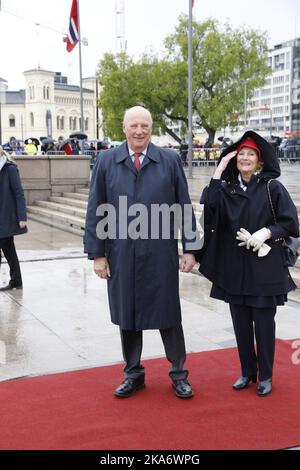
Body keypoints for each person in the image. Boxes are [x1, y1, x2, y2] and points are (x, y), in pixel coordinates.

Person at [84, 106, 199, 399]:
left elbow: (183, 207)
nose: (139, 131)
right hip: (121, 252)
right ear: (124, 128)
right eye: (133, 125)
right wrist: (98, 254)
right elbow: (96, 210)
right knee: (128, 314)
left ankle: (179, 374)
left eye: (144, 125)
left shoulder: (169, 160)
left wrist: (191, 249)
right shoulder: (107, 161)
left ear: (151, 128)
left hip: (159, 252)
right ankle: (133, 374)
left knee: (168, 314)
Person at [198, 131, 299, 397]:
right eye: (240, 154)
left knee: (264, 325)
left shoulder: (271, 187)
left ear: (260, 161)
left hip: (264, 267)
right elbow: (208, 208)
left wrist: (265, 233)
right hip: (235, 267)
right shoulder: (226, 188)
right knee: (240, 324)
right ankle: (247, 372)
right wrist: (220, 168)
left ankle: (265, 375)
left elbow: (290, 223)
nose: (244, 158)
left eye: (250, 155)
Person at [0, 146, 28, 291]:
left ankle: (16, 280)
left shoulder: (9, 168)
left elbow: (18, 193)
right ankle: (16, 281)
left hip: (5, 216)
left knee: (8, 249)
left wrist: (22, 217)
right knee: (8, 249)